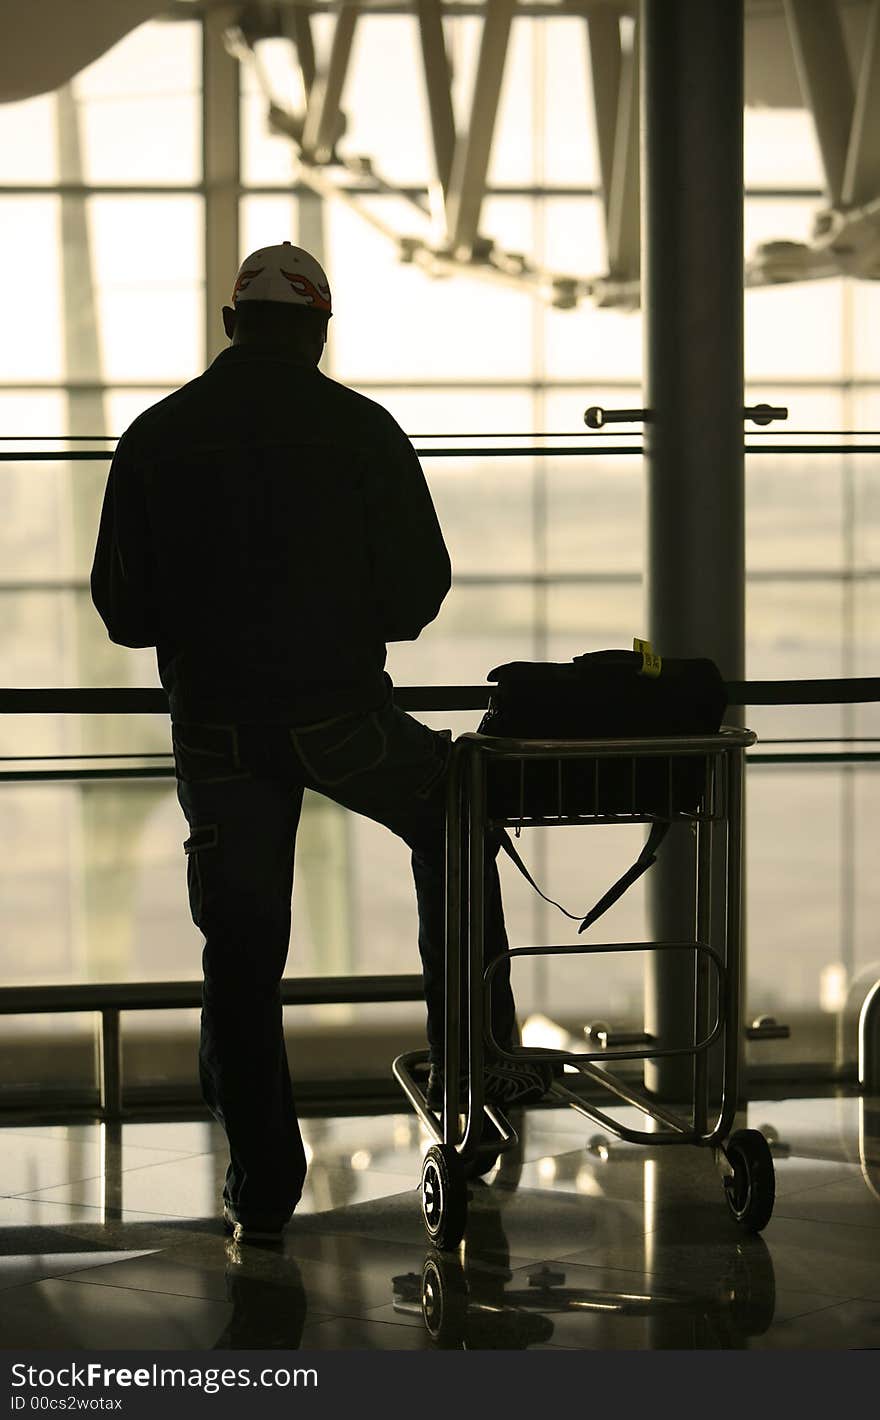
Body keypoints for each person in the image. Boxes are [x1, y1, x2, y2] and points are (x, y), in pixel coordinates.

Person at [90, 241, 551, 1244]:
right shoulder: (363, 432)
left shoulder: (156, 437)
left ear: (230, 326)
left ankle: (260, 1187)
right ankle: (474, 1081)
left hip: (215, 727)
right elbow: (418, 593)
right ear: (319, 329)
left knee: (242, 955)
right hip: (339, 714)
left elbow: (122, 612)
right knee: (454, 815)